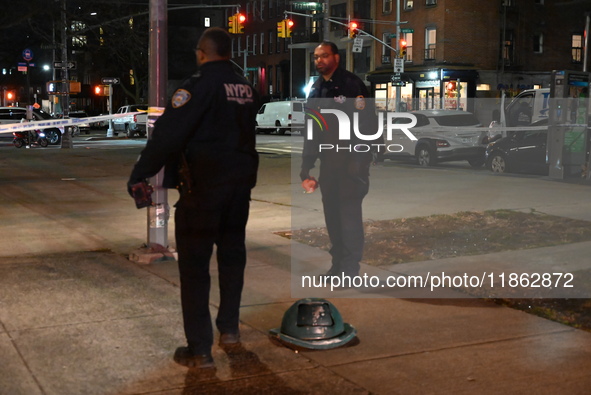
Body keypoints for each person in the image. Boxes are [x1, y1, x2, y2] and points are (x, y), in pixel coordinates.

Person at [127, 27, 259, 369]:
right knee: (233, 259)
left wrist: (141, 172)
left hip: (202, 189)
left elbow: (169, 134)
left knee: (195, 268)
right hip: (238, 189)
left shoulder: (197, 85)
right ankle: (229, 329)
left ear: (202, 52)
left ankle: (199, 349)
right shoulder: (245, 85)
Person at [300, 41, 377, 279]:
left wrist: (359, 161)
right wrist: (306, 167)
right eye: (316, 57)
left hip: (350, 165)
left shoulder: (351, 85)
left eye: (324, 56)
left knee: (349, 219)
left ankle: (350, 270)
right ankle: (337, 267)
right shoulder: (316, 88)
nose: (319, 61)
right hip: (329, 165)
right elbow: (312, 130)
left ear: (336, 58)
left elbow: (367, 124)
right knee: (333, 218)